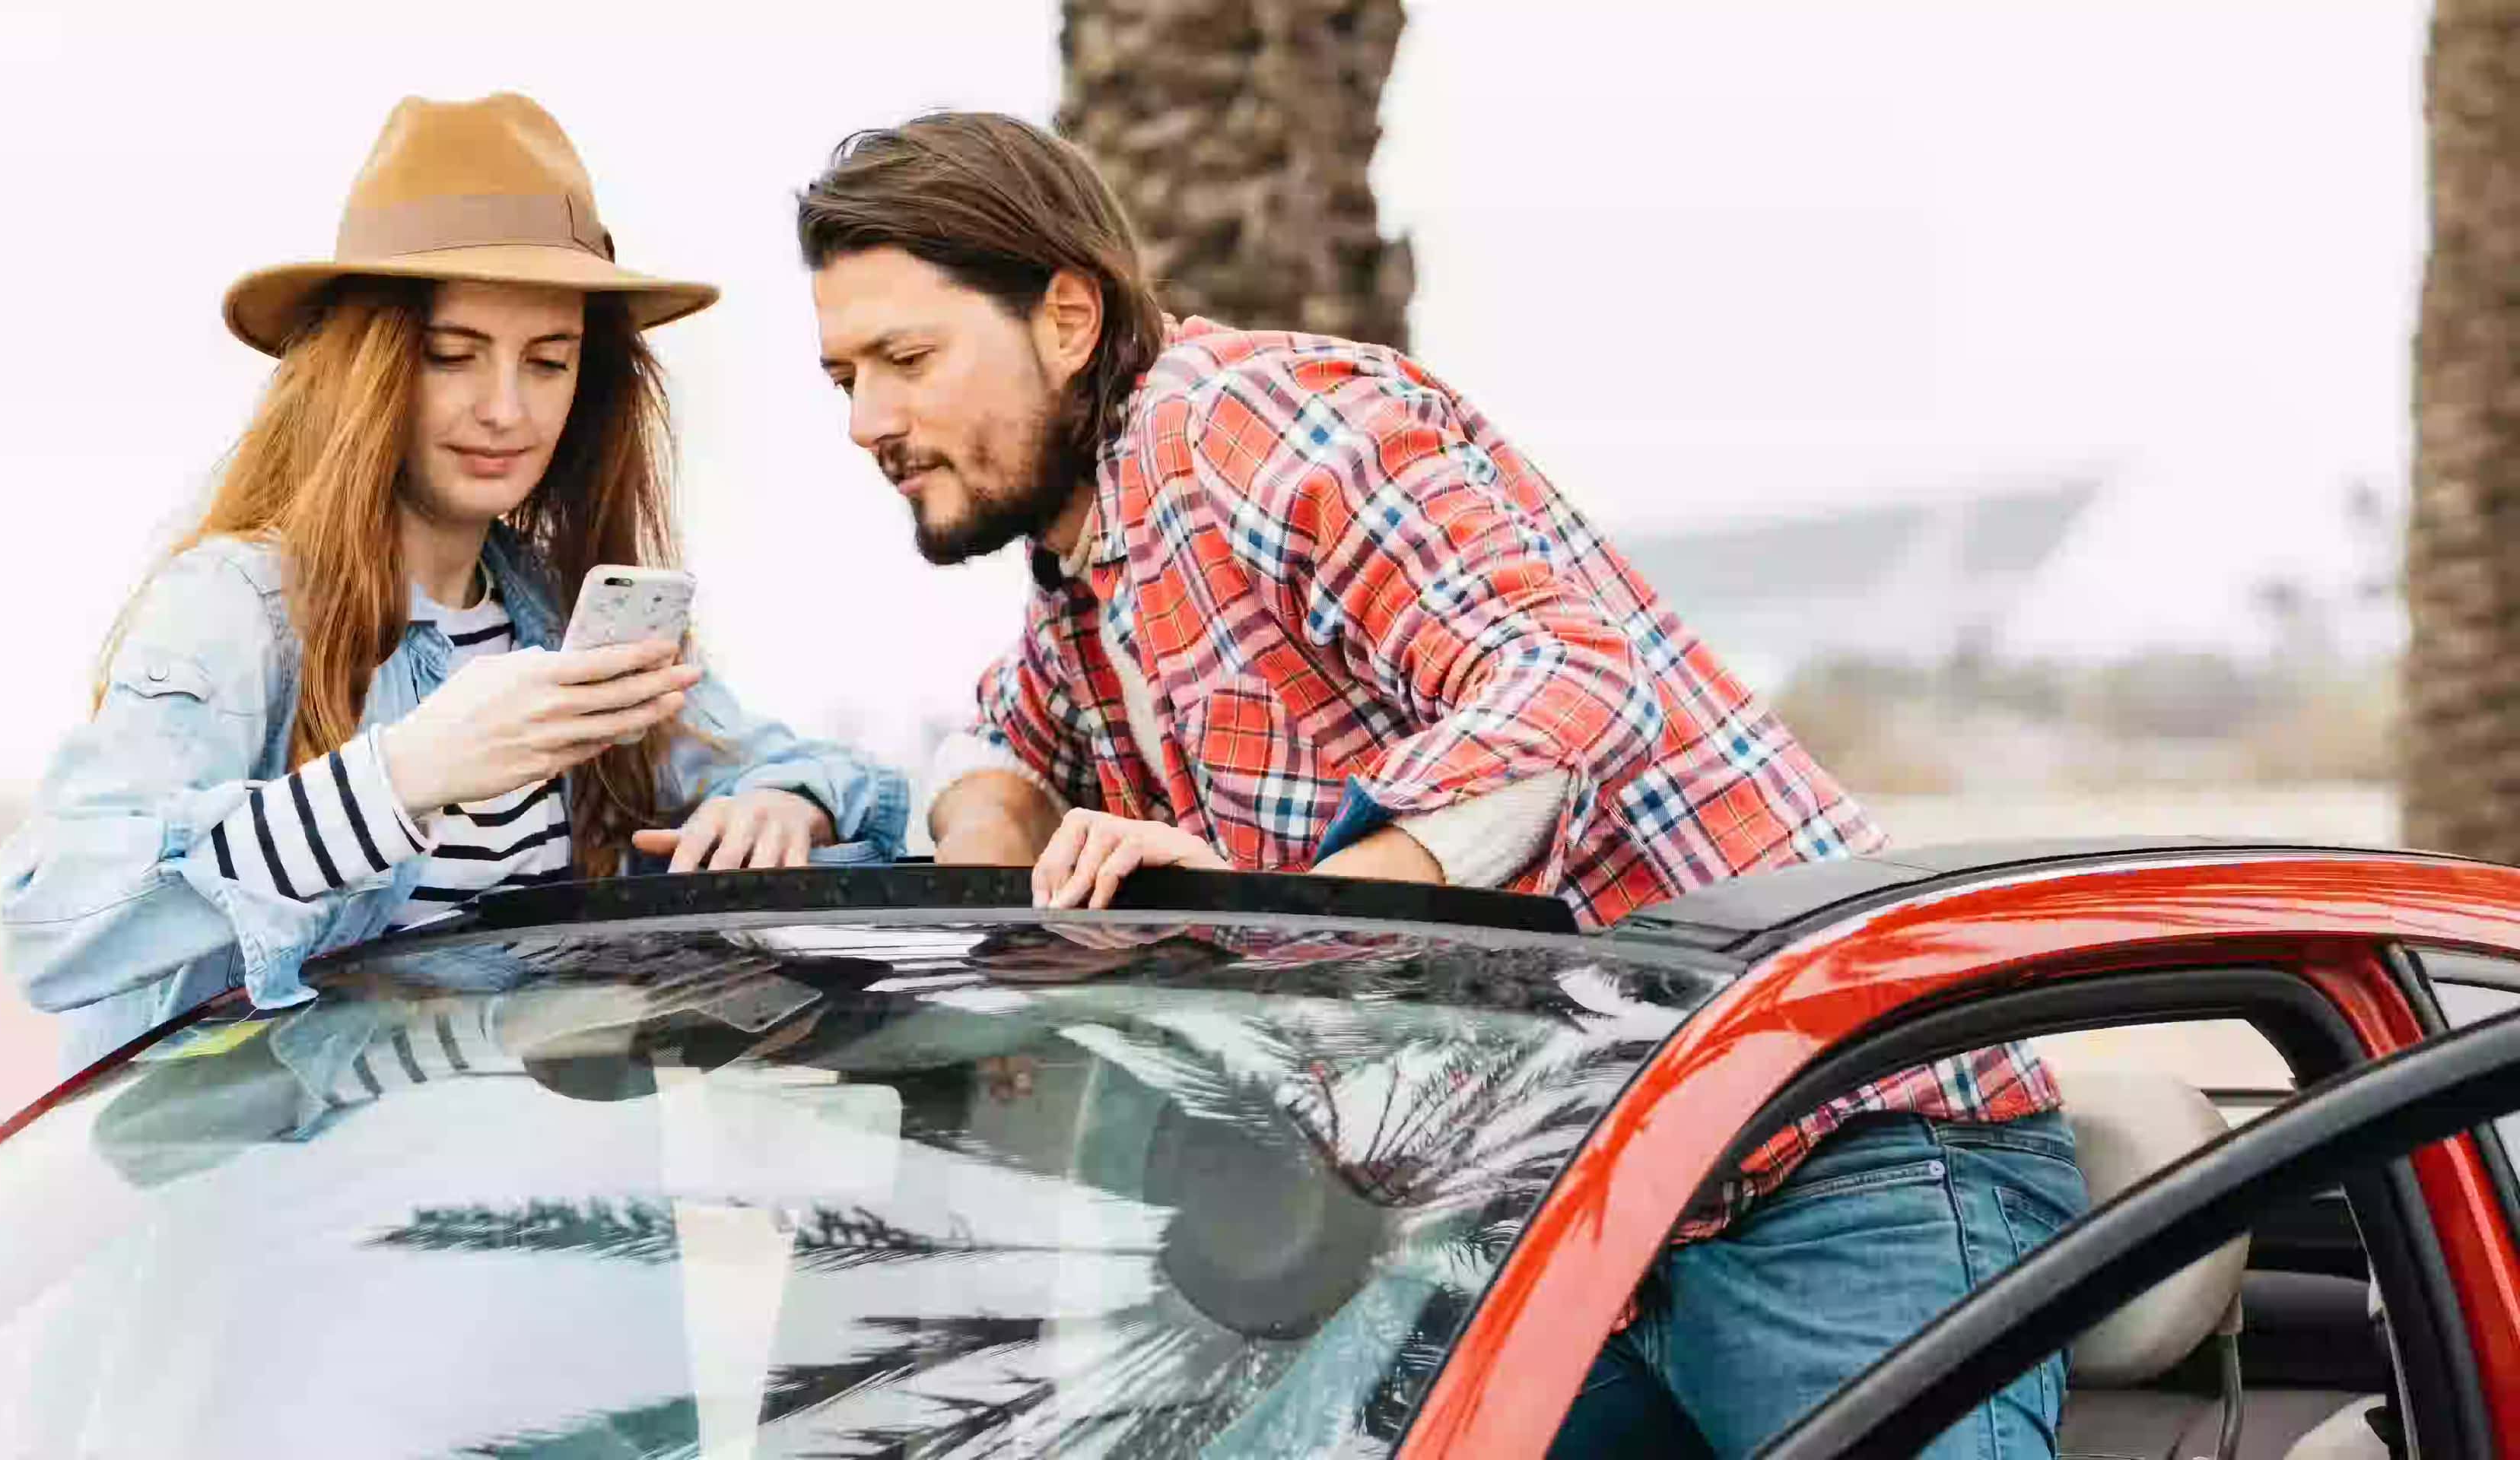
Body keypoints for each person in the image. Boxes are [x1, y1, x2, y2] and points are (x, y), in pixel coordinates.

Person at [794, 112, 2080, 1457]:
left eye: (907, 359)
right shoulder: (1088, 562)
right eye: (842, 380)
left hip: (1831, 1154)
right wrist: (988, 843)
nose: (870, 421)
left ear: (1067, 319)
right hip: (1576, 1219)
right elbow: (1008, 740)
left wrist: (1320, 935)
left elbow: (1566, 678)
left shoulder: (1253, 428)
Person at [0, 94, 907, 1074]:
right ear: (366, 368)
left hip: (547, 1207)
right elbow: (54, 922)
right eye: (451, 356)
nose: (506, 409)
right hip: (290, 1210)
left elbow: (846, 791)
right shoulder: (240, 610)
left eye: (549, 363)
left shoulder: (559, 620)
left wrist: (786, 805)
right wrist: (403, 777)